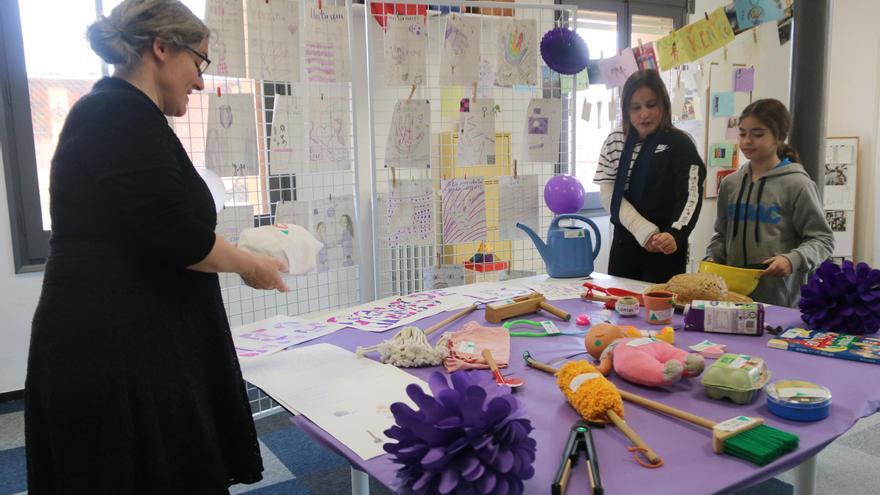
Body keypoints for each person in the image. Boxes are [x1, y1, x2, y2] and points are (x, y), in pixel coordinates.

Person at [25, 1, 289, 492]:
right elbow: (178, 235)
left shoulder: (128, 116)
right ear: (162, 48)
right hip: (114, 350)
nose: (200, 82)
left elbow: (160, 223)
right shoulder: (114, 115)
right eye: (199, 61)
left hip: (140, 340)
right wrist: (249, 265)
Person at [705, 98, 833, 307]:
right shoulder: (730, 184)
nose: (747, 141)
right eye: (743, 133)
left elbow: (823, 239)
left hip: (779, 302)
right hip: (730, 298)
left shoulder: (798, 184)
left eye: (757, 134)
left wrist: (792, 260)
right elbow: (721, 234)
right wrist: (712, 257)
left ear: (779, 137)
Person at [594, 70, 706, 283]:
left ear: (663, 104)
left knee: (660, 313)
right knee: (620, 310)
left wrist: (675, 234)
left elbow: (691, 196)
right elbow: (608, 193)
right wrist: (642, 230)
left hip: (665, 246)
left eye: (651, 105)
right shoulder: (615, 140)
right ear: (626, 110)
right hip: (624, 245)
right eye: (635, 107)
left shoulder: (680, 143)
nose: (644, 114)